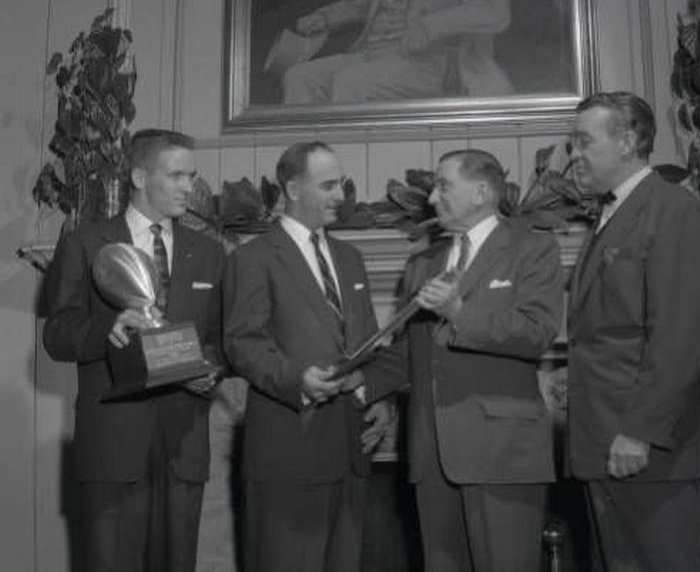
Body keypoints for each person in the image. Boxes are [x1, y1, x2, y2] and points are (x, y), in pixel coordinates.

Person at [360, 149, 564, 571]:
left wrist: (459, 312)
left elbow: (537, 332)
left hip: (502, 454)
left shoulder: (533, 247)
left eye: (443, 186)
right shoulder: (422, 263)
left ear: (482, 191)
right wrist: (355, 383)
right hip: (430, 455)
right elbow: (407, 353)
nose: (432, 198)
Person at [42, 129, 226, 572]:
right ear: (140, 176)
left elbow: (222, 341)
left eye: (192, 176)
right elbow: (58, 336)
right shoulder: (84, 243)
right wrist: (110, 328)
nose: (189, 187)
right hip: (112, 447)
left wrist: (211, 371)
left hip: (183, 448)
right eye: (177, 175)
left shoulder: (209, 252)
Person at [223, 141, 393, 572]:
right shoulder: (253, 258)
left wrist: (378, 398)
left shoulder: (350, 258)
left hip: (351, 450)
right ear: (295, 189)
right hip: (288, 451)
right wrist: (297, 379)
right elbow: (242, 343)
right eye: (330, 185)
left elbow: (367, 341)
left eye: (343, 184)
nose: (341, 196)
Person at [566, 91, 700, 571]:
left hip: (643, 447)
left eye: (584, 141)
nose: (574, 154)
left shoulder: (673, 209)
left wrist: (639, 431)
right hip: (603, 440)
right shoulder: (609, 214)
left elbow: (678, 335)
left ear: (627, 142)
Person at [282, 0, 513, 105]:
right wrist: (325, 18)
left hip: (432, 64)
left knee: (351, 81)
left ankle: (345, 164)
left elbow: (493, 9)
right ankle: (303, 163)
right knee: (300, 77)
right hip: (370, 55)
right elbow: (359, 3)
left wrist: (430, 27)